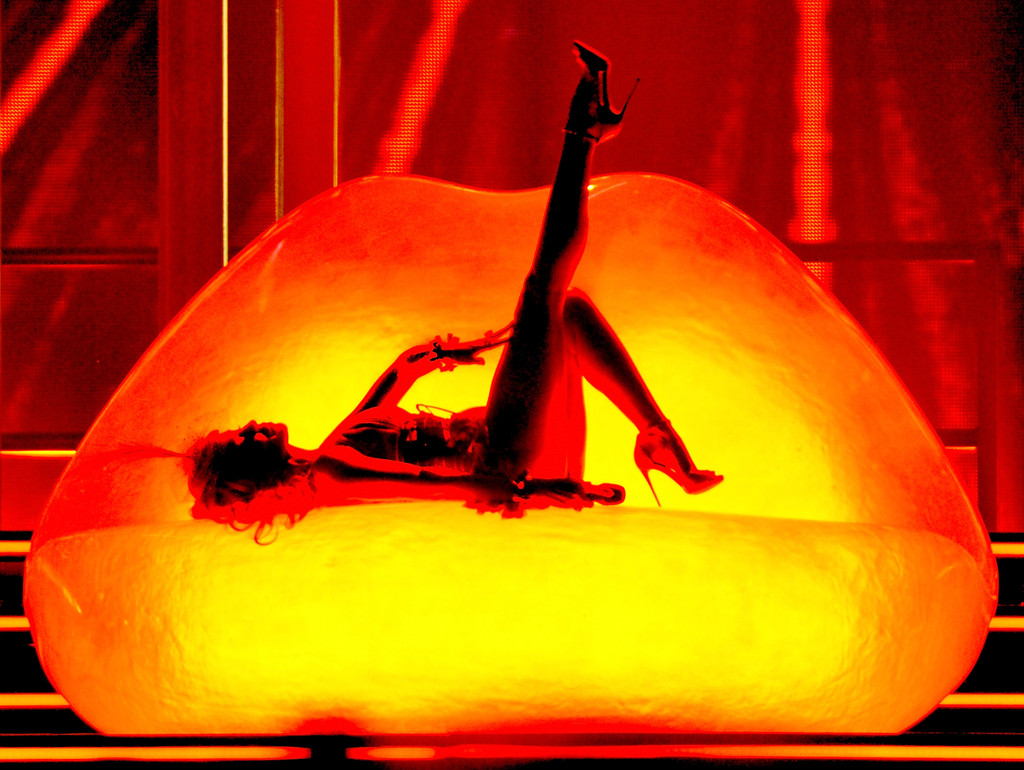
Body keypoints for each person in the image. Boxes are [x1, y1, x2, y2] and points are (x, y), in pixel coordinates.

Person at [186, 43, 723, 542]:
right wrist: (548, 491)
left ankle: (656, 437)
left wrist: (445, 353)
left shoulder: (337, 442)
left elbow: (399, 374)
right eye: (242, 440)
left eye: (240, 429)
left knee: (570, 311)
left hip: (518, 455)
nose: (250, 427)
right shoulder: (331, 472)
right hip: (510, 468)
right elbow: (446, 488)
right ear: (249, 473)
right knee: (542, 290)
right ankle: (584, 130)